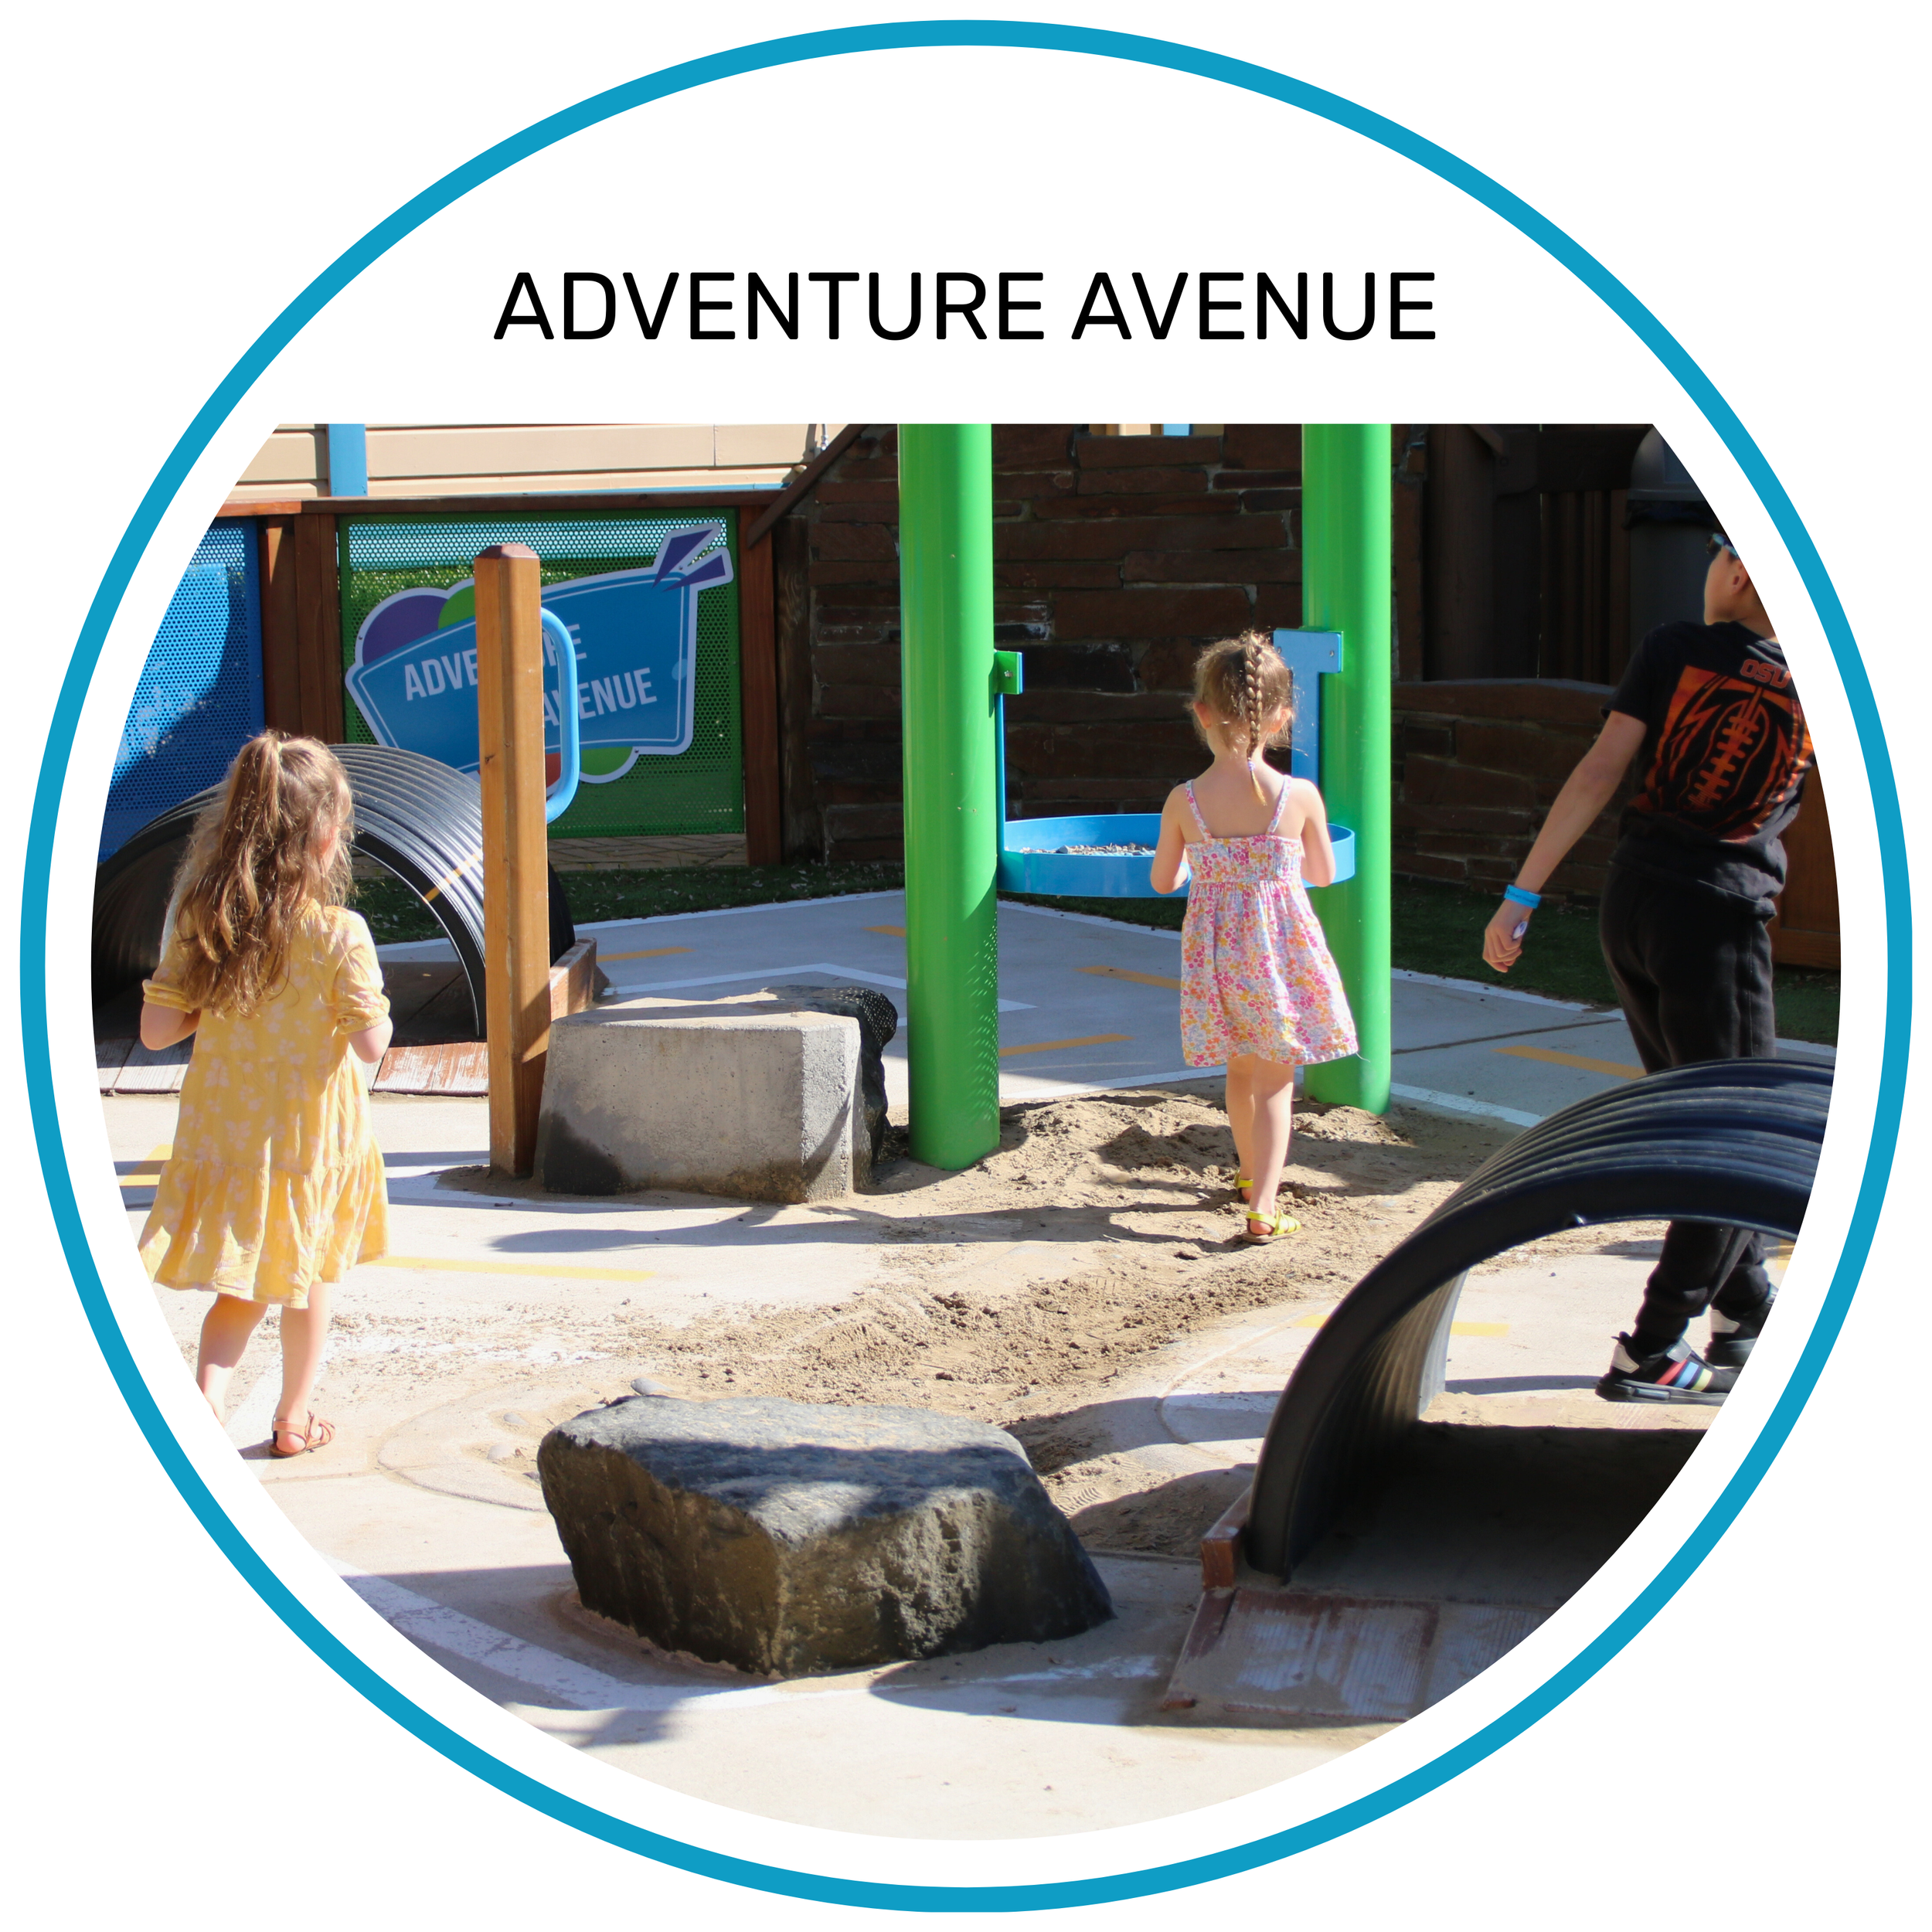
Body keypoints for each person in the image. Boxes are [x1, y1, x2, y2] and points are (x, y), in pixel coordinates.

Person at [1481, 533, 1814, 1404]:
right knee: (1733, 1142)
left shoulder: (1671, 646)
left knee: (1696, 1120)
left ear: (1739, 571)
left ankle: (1742, 1313)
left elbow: (1600, 771)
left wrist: (1523, 893)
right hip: (1717, 917)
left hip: (1633, 905)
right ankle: (1654, 1346)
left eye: (1712, 552)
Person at [137, 734, 393, 1457]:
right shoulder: (341, 933)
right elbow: (372, 1045)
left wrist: (205, 996)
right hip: (312, 1143)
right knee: (312, 1276)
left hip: (229, 1137)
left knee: (245, 1286)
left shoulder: (204, 916)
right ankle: (292, 1418)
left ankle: (206, 1403)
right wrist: (375, 1007)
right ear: (323, 834)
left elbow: (157, 1032)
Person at [1151, 632, 1359, 1243]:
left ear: (1202, 712)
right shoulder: (1299, 797)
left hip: (1218, 958)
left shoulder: (1184, 801)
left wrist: (1201, 862)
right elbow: (1321, 873)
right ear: (1282, 717)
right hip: (1279, 954)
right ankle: (1265, 1204)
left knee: (1241, 1071)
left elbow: (1165, 880)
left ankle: (1248, 1174)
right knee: (1276, 1081)